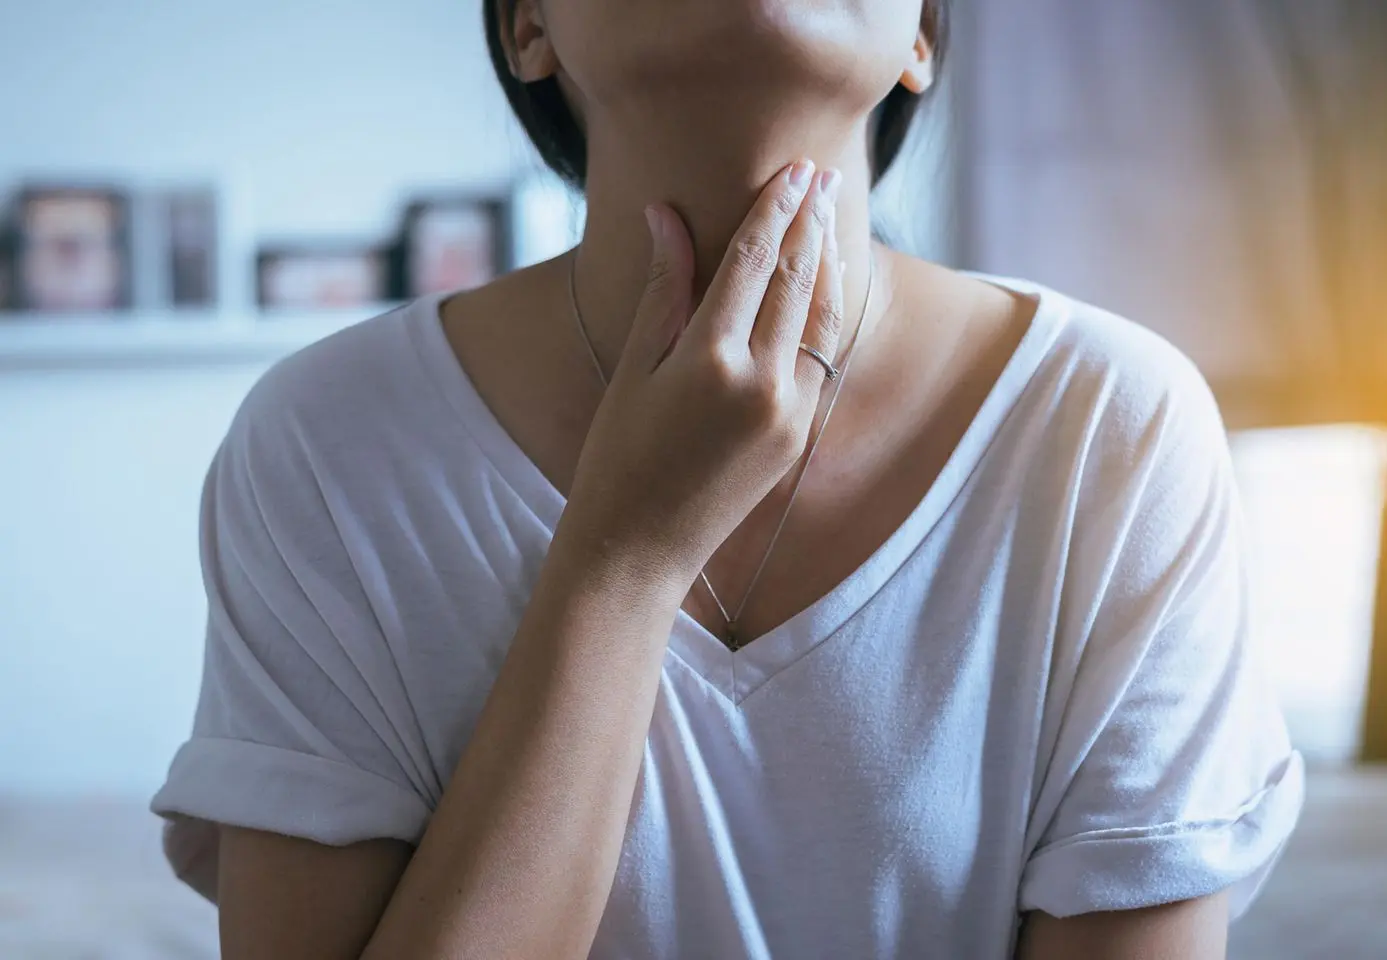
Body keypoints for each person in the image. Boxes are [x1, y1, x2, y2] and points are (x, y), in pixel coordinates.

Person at [151, 1, 1304, 957]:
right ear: (527, 27)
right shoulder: (334, 440)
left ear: (920, 36)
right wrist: (624, 560)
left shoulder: (1111, 425)